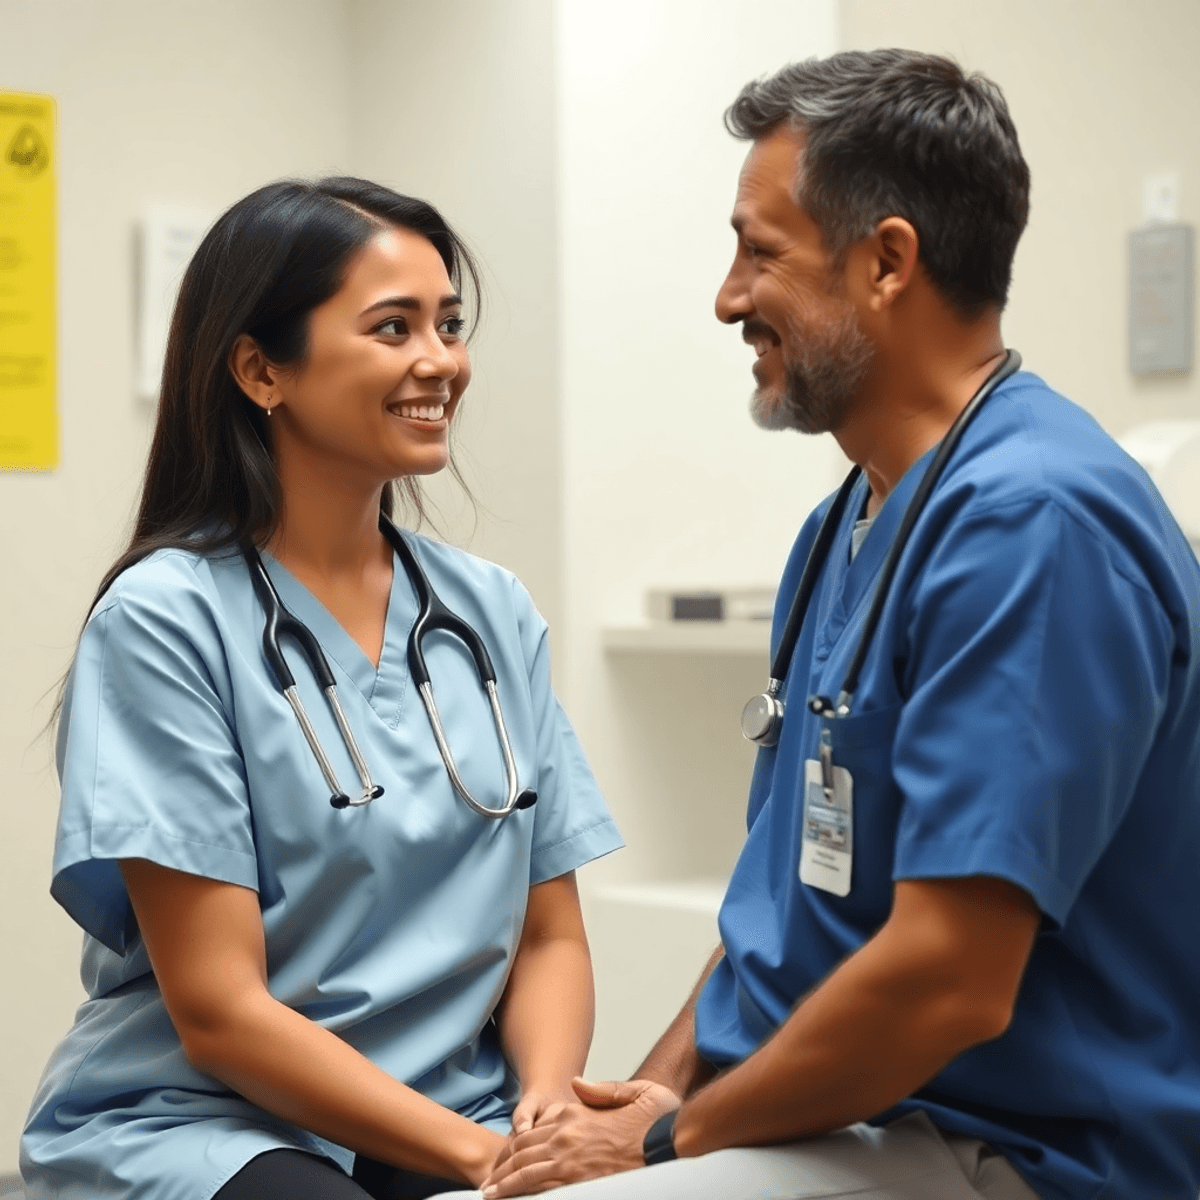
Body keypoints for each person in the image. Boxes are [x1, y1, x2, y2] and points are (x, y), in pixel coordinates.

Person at [474, 50, 1200, 1200]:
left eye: (760, 253)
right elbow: (790, 909)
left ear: (887, 261)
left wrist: (666, 1145)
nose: (726, 297)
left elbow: (948, 982)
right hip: (870, 1123)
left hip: (1034, 1154)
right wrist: (663, 1096)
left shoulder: (1033, 525)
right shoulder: (845, 525)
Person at [20, 177, 622, 1200]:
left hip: (447, 1108)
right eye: (393, 328)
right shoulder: (168, 621)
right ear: (261, 369)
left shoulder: (490, 615)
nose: (441, 361)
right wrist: (484, 1156)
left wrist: (548, 1111)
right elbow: (218, 1011)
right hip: (214, 1119)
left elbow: (551, 933)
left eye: (448, 324)